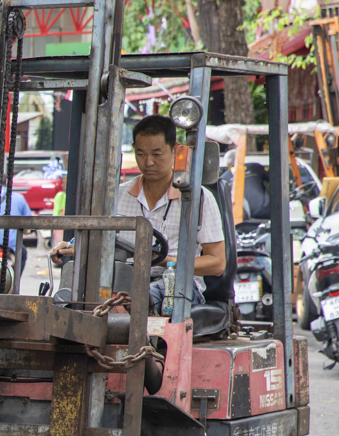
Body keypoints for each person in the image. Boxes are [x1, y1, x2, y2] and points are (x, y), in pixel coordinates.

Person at [50, 114, 225, 312]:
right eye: (141, 154)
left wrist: (165, 260)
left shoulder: (199, 198)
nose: (148, 162)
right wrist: (72, 248)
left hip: (176, 285)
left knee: (124, 303)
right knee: (77, 298)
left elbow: (217, 263)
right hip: (123, 279)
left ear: (176, 150)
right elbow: (98, 241)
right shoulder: (116, 196)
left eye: (157, 154)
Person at [0, 185, 33, 293]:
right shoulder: (19, 198)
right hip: (11, 245)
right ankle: (14, 283)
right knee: (22, 254)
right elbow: (28, 227)